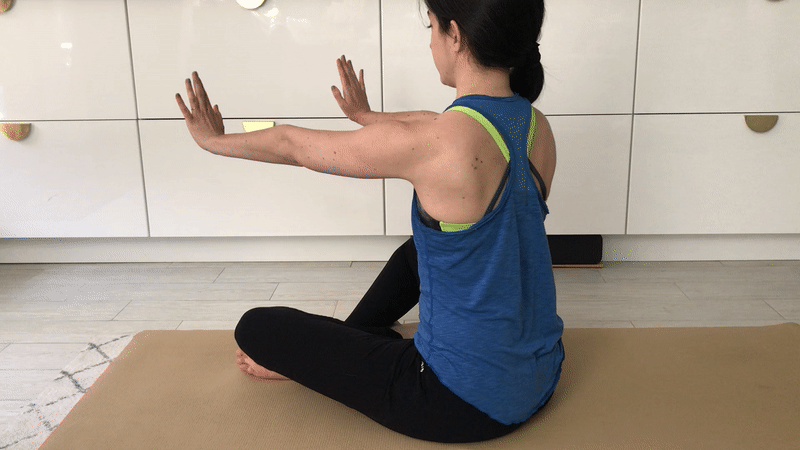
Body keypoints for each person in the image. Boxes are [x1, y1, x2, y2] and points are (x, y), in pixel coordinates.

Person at [175, 0, 563, 443]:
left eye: (432, 27)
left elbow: (292, 145)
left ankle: (330, 356)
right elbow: (430, 122)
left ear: (455, 35)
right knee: (421, 252)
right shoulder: (536, 125)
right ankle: (354, 339)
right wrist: (367, 118)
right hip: (541, 375)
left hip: (455, 402)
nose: (430, 40)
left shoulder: (437, 142)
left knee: (256, 327)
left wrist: (214, 140)